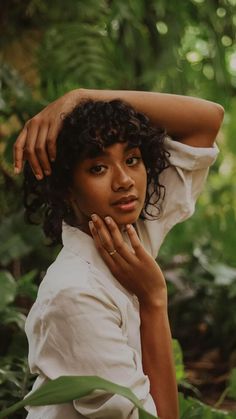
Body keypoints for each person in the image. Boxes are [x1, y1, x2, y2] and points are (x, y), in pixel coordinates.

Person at [15, 88, 224, 419]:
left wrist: (81, 97)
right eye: (98, 168)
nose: (125, 181)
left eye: (132, 159)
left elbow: (207, 120)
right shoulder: (74, 294)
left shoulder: (132, 233)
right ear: (67, 188)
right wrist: (154, 300)